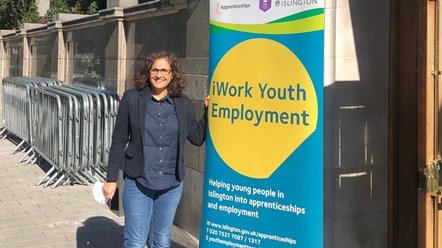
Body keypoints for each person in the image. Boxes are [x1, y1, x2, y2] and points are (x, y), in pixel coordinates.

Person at [102, 51, 207, 248]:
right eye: (155, 70)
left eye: (165, 70)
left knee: (161, 242)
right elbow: (118, 140)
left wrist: (209, 112)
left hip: (171, 184)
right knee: (135, 242)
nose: (160, 75)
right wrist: (111, 179)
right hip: (138, 181)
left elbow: (197, 137)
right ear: (148, 72)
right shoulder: (132, 99)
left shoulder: (183, 103)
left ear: (173, 74)